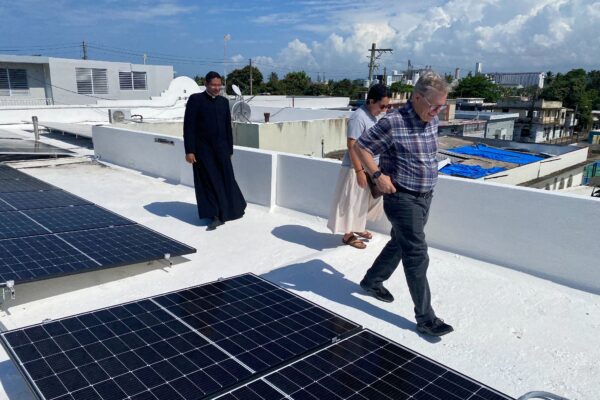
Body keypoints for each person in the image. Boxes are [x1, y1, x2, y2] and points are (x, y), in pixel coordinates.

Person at [354, 71, 453, 337]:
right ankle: (426, 318)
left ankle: (372, 281)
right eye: (434, 106)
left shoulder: (430, 119)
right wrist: (377, 175)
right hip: (402, 198)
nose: (437, 112)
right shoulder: (393, 122)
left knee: (401, 241)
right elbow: (361, 147)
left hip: (425, 196)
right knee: (416, 254)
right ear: (418, 98)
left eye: (441, 107)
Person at [327, 84, 390, 249]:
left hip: (372, 167)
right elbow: (352, 144)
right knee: (352, 201)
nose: (384, 109)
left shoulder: (374, 116)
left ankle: (358, 227)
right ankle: (348, 235)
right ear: (371, 101)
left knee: (368, 200)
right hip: (356, 167)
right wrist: (359, 171)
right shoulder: (359, 117)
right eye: (382, 105)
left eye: (387, 106)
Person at [183, 71, 246, 231]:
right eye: (213, 85)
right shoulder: (196, 100)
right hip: (203, 151)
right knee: (208, 182)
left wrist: (229, 149)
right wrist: (189, 150)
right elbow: (188, 127)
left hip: (222, 150)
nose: (217, 88)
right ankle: (215, 215)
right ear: (206, 84)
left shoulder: (224, 102)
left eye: (219, 85)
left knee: (226, 179)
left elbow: (227, 127)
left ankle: (231, 209)